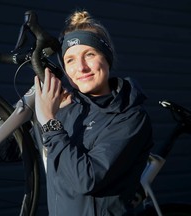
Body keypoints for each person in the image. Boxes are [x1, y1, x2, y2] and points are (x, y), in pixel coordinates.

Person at [34, 9, 154, 216]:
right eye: (70, 60)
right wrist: (27, 113)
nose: (81, 67)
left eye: (89, 54)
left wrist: (48, 121)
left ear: (107, 58)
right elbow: (8, 154)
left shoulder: (130, 117)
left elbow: (87, 179)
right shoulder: (63, 109)